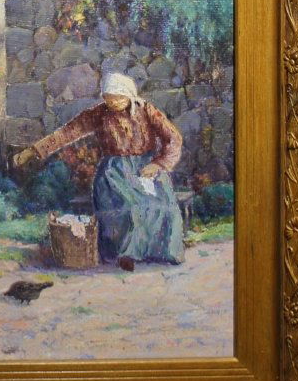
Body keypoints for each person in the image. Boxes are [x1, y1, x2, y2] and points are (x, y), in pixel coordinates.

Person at [13, 71, 185, 266]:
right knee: (130, 207)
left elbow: (174, 138)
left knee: (163, 206)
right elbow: (67, 132)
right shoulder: (99, 114)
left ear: (129, 95)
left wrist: (158, 163)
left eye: (118, 98)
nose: (113, 103)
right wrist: (33, 151)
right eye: (108, 98)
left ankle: (162, 252)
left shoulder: (146, 110)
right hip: (114, 173)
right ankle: (126, 254)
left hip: (146, 167)